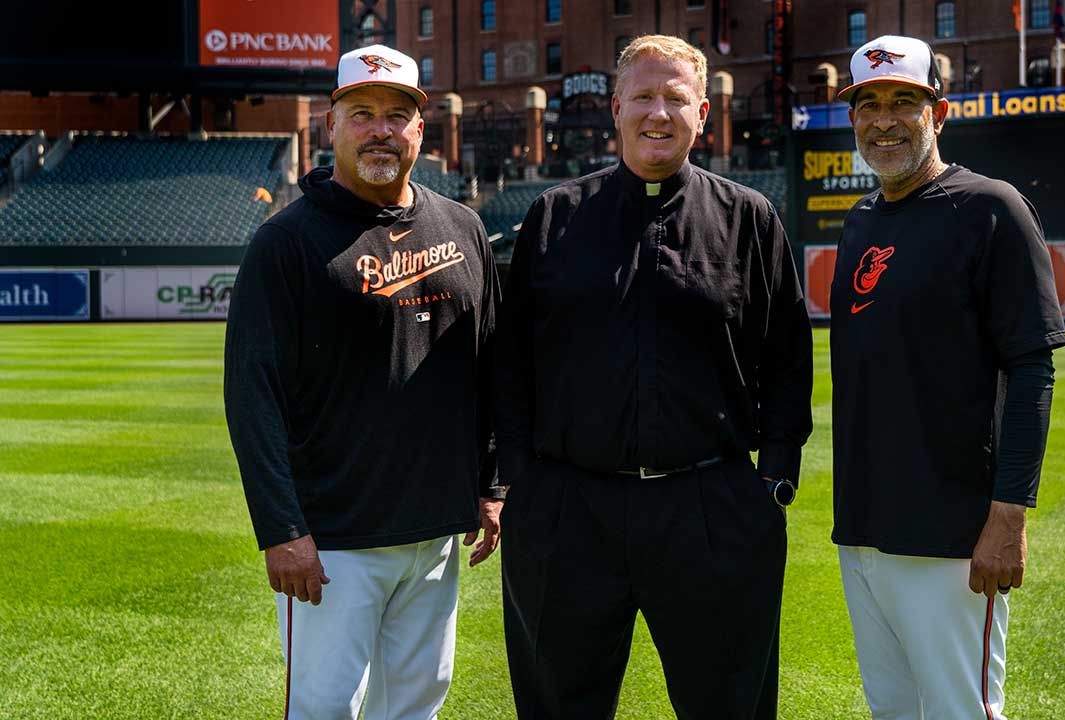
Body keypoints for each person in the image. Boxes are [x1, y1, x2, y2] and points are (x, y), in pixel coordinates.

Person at [492, 35, 813, 720]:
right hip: (569, 508)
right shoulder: (555, 215)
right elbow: (511, 359)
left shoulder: (749, 218)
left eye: (674, 99)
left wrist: (775, 473)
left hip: (711, 504)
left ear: (702, 112)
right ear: (615, 108)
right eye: (643, 96)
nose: (657, 113)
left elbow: (787, 356)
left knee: (729, 707)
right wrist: (519, 479)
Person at [223, 44, 504, 720]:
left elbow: (492, 363)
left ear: (418, 130)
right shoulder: (286, 243)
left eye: (396, 115)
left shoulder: (461, 226)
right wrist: (281, 528)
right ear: (331, 126)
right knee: (324, 710)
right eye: (362, 113)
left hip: (435, 532)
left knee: (414, 708)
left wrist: (493, 487)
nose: (380, 129)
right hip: (331, 544)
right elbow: (251, 392)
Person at [828, 35, 1065, 720]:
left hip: (952, 535)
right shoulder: (861, 221)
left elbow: (1032, 371)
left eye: (904, 101)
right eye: (867, 104)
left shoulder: (991, 209)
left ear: (939, 112)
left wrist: (1008, 517)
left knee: (962, 713)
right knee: (893, 712)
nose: (883, 120)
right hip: (865, 528)